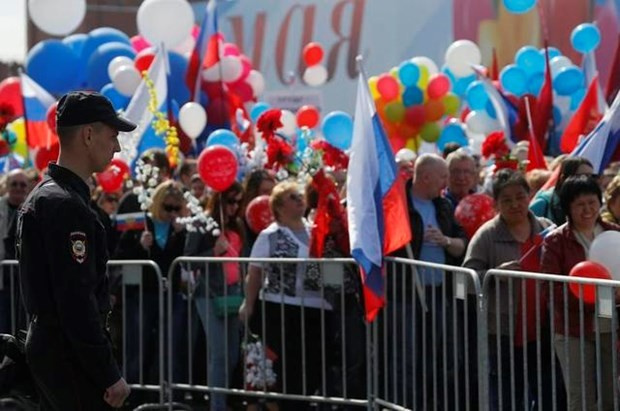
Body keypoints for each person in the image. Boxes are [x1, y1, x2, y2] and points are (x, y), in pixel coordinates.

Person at [16, 91, 135, 409]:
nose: (117, 146)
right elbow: (76, 302)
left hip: (56, 350)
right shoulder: (65, 205)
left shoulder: (51, 196)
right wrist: (108, 373)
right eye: (113, 136)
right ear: (87, 134)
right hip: (69, 355)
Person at [463, 169, 564, 411]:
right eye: (506, 200)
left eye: (520, 196)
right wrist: (495, 274)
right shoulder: (486, 235)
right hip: (504, 334)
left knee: (548, 394)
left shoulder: (547, 229)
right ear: (496, 204)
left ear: (529, 196)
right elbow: (466, 280)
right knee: (508, 396)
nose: (515, 204)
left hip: (545, 330)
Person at [238, 181, 331, 410]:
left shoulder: (317, 231)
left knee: (313, 365)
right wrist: (248, 304)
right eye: (292, 197)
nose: (300, 200)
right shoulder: (270, 235)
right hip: (280, 308)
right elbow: (255, 271)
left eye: (300, 196)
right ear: (278, 206)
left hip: (317, 308)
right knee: (286, 367)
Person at [389, 153, 466, 409]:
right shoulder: (399, 205)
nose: (447, 181)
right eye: (443, 176)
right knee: (407, 358)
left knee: (443, 356)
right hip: (405, 295)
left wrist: (444, 240)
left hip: (438, 293)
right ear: (424, 177)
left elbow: (460, 244)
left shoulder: (443, 206)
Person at [541, 175, 620, 411]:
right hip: (572, 327)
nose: (587, 209)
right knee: (580, 398)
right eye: (579, 204)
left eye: (592, 202)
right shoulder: (555, 241)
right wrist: (588, 298)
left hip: (609, 324)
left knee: (611, 395)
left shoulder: (613, 233)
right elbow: (550, 286)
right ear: (568, 208)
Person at [113, 180, 187, 395]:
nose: (171, 213)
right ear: (157, 203)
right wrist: (139, 246)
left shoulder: (180, 227)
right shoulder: (140, 224)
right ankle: (133, 394)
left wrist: (181, 235)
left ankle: (171, 394)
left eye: (176, 208)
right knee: (138, 345)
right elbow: (119, 256)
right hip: (143, 294)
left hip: (171, 293)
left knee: (171, 345)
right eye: (167, 207)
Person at [184, 182, 245, 411]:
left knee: (232, 354)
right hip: (209, 294)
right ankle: (217, 406)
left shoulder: (237, 225)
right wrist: (213, 252)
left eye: (238, 202)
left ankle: (223, 399)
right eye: (230, 201)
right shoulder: (201, 222)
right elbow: (188, 260)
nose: (234, 207)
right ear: (219, 200)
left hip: (234, 292)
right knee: (219, 353)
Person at [530, 157, 594, 225]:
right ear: (564, 178)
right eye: (582, 176)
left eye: (591, 176)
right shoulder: (543, 203)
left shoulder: (593, 203)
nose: (587, 181)